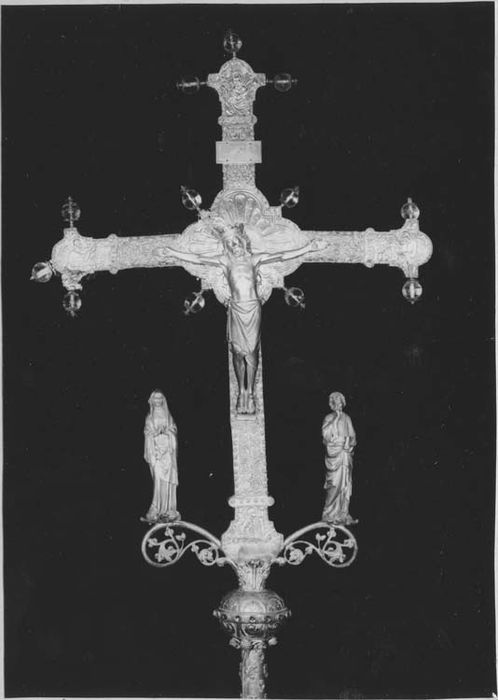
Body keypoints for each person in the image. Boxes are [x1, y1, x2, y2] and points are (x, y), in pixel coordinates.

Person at [161, 222, 326, 413]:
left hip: (252, 308)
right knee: (237, 352)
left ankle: (251, 391)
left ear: (243, 241)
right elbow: (198, 258)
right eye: (230, 243)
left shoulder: (254, 259)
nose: (234, 245)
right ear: (226, 246)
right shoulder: (225, 261)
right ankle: (242, 391)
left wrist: (309, 248)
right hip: (236, 309)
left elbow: (282, 255)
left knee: (252, 351)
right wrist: (172, 253)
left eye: (236, 241)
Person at [142, 390, 180, 523]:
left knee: (168, 481)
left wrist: (168, 432)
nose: (157, 401)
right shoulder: (149, 417)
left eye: (160, 398)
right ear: (152, 400)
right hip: (157, 453)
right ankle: (156, 508)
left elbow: (173, 429)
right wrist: (155, 433)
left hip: (167, 453)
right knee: (158, 480)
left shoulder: (168, 416)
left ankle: (169, 509)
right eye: (155, 398)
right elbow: (148, 433)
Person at [321, 391, 358, 526]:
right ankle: (329, 513)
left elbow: (352, 436)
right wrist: (335, 420)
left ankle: (343, 513)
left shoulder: (347, 418)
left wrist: (349, 444)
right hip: (334, 454)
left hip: (344, 454)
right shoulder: (328, 418)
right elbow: (325, 436)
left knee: (345, 485)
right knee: (334, 484)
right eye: (336, 403)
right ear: (332, 404)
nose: (339, 405)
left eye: (340, 402)